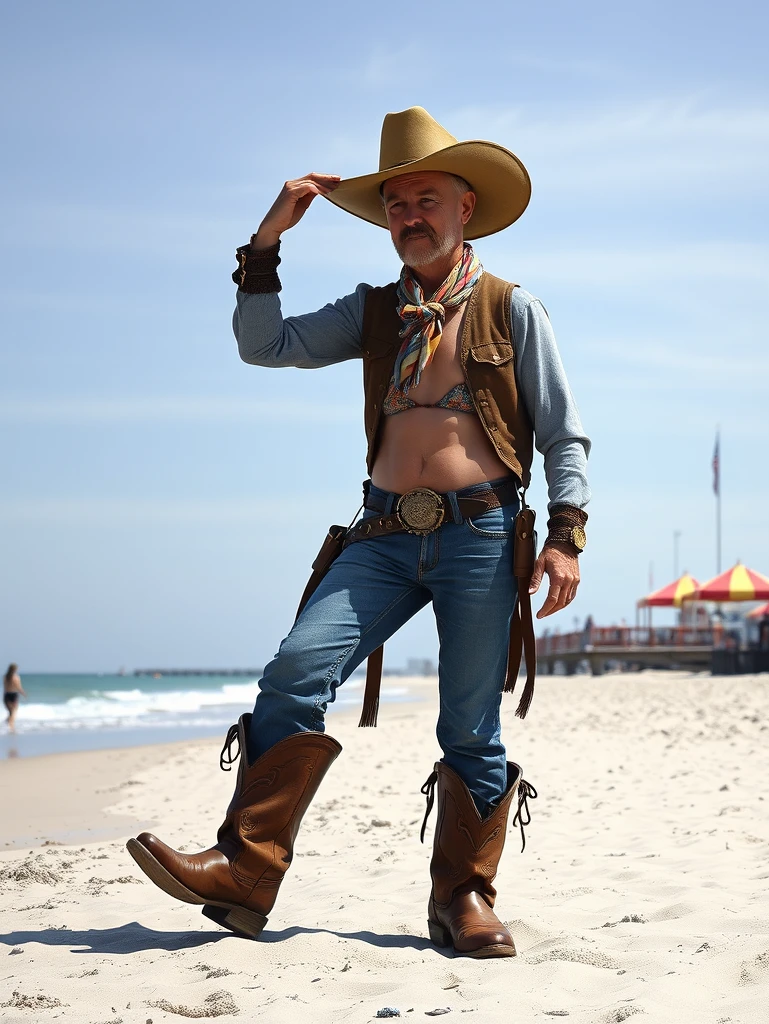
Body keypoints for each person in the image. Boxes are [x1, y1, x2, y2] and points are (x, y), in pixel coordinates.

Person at [127, 107, 591, 957]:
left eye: (425, 199)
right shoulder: (375, 312)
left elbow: (562, 432)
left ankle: (464, 896)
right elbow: (264, 346)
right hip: (379, 537)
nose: (409, 216)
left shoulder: (509, 309)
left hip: (482, 535)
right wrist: (266, 243)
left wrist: (565, 533)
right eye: (395, 205)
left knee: (469, 725)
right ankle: (246, 869)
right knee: (297, 671)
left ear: (465, 209)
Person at [3, 664, 24, 732]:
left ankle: (8, 724)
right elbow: (18, 687)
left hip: (6, 695)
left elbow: (5, 688)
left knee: (11, 712)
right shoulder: (16, 677)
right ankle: (11, 728)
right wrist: (23, 693)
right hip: (13, 695)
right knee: (13, 712)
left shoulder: (5, 677)